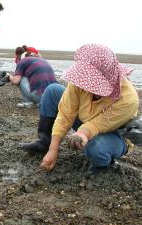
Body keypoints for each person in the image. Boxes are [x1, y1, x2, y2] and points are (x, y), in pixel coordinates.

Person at [20, 43, 139, 174]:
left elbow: (95, 126)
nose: (86, 85)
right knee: (52, 90)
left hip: (112, 133)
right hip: (85, 121)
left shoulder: (128, 99)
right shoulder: (82, 78)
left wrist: (82, 134)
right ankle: (45, 142)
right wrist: (53, 150)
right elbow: (65, 114)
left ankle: (101, 165)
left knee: (97, 148)